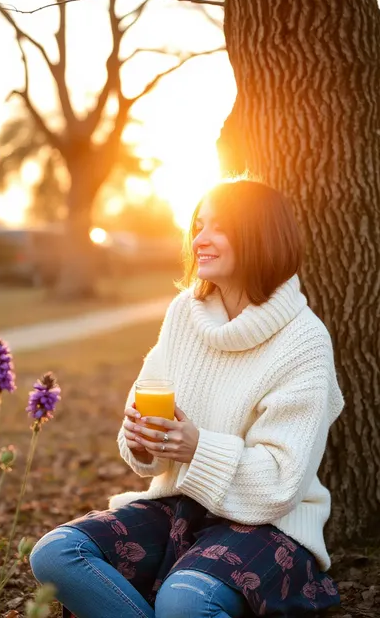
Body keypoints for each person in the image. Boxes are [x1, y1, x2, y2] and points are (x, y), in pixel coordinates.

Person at [30, 179, 344, 618]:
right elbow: (146, 433)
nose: (199, 239)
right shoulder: (184, 312)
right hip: (180, 507)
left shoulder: (304, 340)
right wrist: (142, 437)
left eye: (219, 228)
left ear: (260, 237)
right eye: (198, 226)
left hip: (268, 525)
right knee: (55, 554)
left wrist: (198, 447)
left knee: (185, 601)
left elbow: (281, 482)